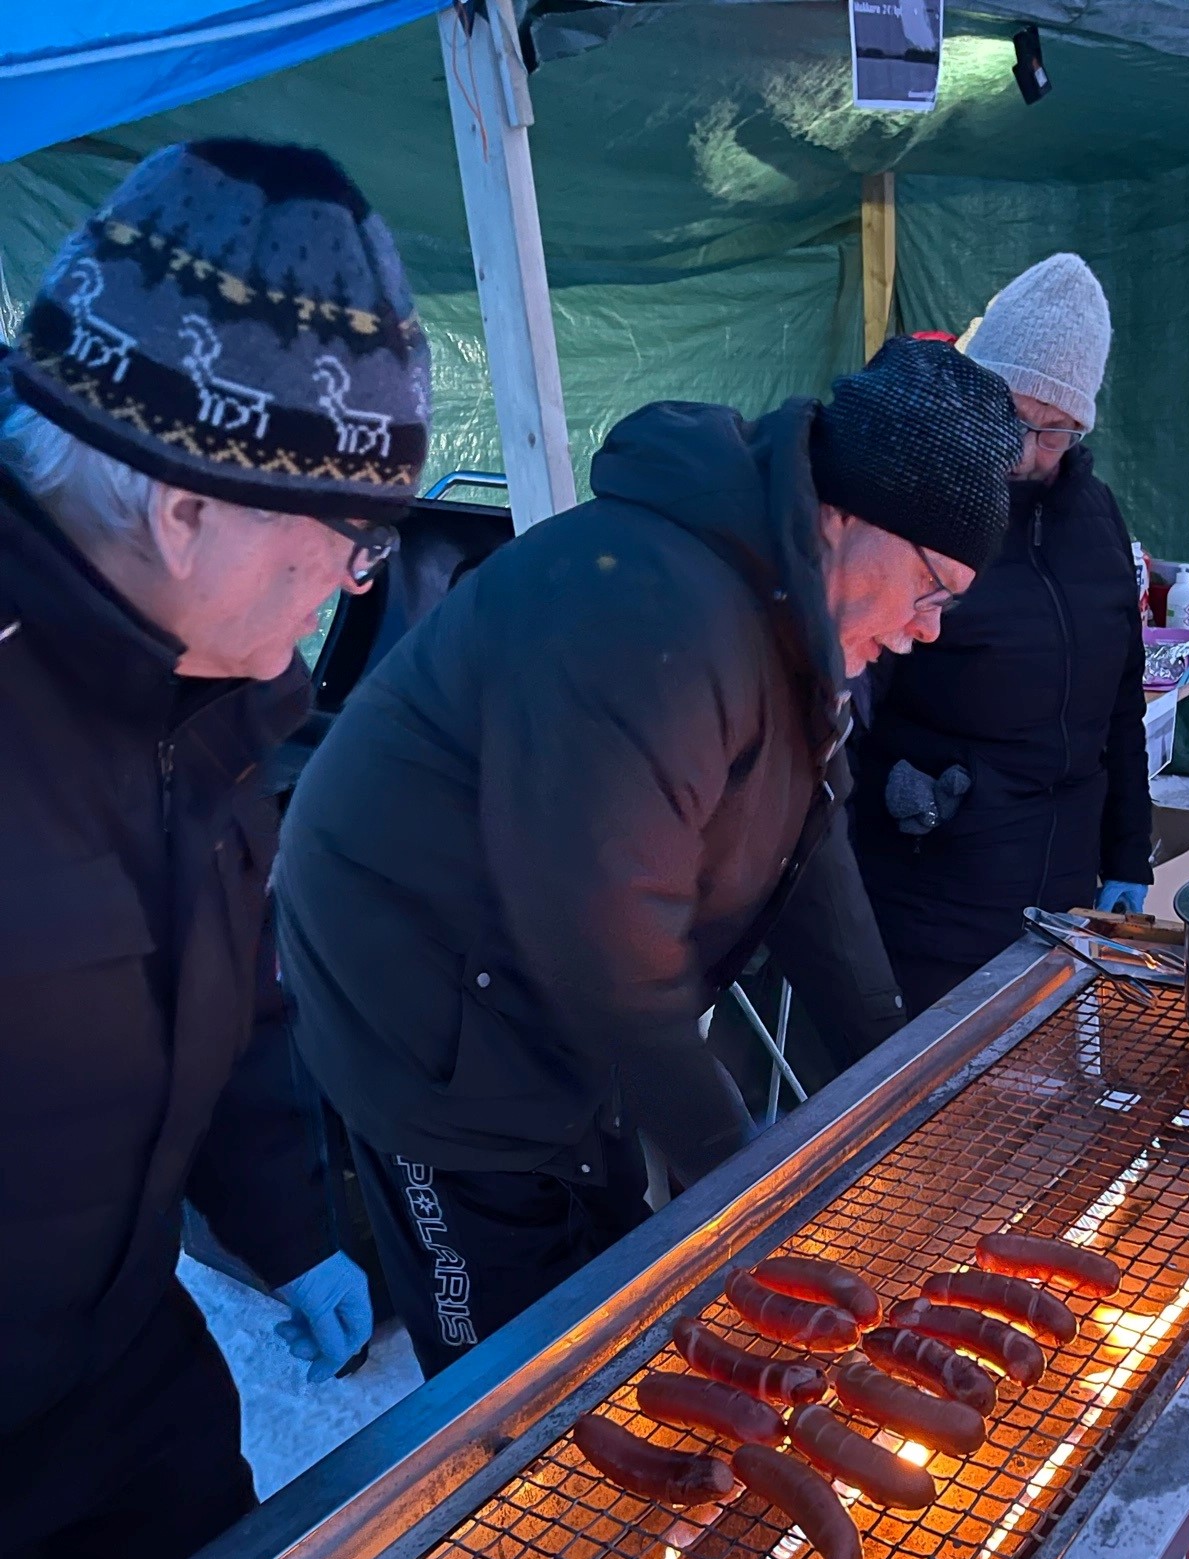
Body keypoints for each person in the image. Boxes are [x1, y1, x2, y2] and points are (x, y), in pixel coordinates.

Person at [275, 337, 1022, 1377]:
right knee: (512, 1372)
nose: (929, 631)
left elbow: (813, 854)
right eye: (933, 590)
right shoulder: (655, 611)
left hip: (544, 993)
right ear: (849, 521)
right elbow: (604, 939)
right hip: (423, 1015)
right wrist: (739, 1186)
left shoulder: (789, 613)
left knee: (612, 1285)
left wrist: (892, 1067)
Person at [0, 139, 430, 1559]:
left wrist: (290, 1221)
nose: (351, 591)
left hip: (110, 1366)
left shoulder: (209, 694)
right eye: (342, 543)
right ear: (185, 504)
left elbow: (230, 988)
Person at [850, 257, 1153, 1017]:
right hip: (933, 888)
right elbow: (846, 701)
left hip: (1065, 896)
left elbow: (1121, 700)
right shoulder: (916, 504)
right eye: (1012, 417)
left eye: (1055, 430)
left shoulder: (1097, 516)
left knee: (1037, 1104)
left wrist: (1127, 850)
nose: (1026, 450)